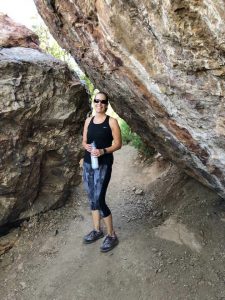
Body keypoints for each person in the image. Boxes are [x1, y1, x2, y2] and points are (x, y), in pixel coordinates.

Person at [82, 91, 122, 252]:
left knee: (99, 199)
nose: (99, 104)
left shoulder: (111, 122)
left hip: (103, 163)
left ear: (107, 104)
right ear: (94, 102)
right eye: (97, 101)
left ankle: (112, 235)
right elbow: (84, 141)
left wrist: (103, 151)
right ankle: (97, 230)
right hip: (87, 163)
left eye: (103, 102)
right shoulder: (88, 121)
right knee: (92, 198)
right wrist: (86, 146)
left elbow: (118, 144)